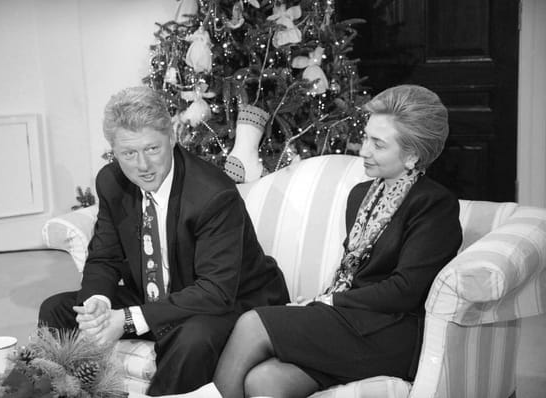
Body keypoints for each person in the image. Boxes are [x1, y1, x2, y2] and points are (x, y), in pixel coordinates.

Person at [163, 84, 463, 398]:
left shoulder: (434, 205)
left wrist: (331, 302)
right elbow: (353, 272)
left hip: (392, 334)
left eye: (378, 144)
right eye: (366, 138)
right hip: (349, 321)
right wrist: (329, 302)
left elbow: (404, 291)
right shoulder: (361, 195)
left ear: (413, 154)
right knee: (264, 381)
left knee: (252, 323)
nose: (363, 150)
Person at [38, 86, 289, 396]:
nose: (143, 165)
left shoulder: (213, 194)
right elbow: (105, 256)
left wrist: (128, 320)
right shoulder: (112, 182)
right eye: (129, 153)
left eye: (152, 149)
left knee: (192, 338)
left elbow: (215, 290)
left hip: (230, 302)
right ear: (113, 151)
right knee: (58, 309)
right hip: (158, 295)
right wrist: (97, 304)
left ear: (171, 137)